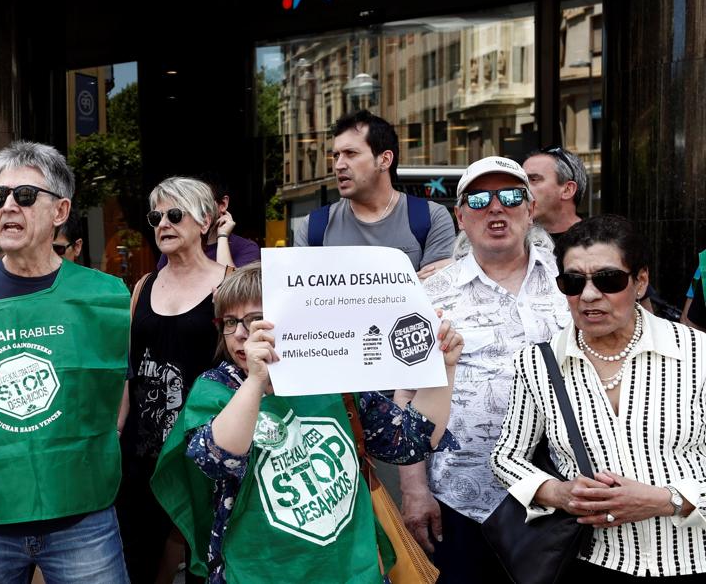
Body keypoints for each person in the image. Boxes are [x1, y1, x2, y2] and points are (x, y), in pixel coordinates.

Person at [151, 262, 463, 583]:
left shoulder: (333, 377)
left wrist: (443, 369)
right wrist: (257, 380)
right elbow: (216, 457)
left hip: (350, 569)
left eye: (256, 320)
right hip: (259, 571)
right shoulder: (218, 385)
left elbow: (412, 440)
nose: (243, 334)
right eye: (231, 322)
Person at [0, 141, 131, 582]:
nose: (8, 207)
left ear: (60, 212)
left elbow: (115, 398)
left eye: (26, 196)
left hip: (81, 521)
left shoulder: (104, 298)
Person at [491, 214, 706, 580]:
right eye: (573, 282)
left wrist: (663, 500)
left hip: (695, 559)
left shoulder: (697, 354)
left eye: (608, 280)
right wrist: (558, 493)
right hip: (593, 563)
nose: (589, 295)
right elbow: (506, 457)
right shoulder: (539, 364)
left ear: (640, 281)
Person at [397, 155, 570, 583]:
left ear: (530, 210)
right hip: (460, 499)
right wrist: (414, 488)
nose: (496, 207)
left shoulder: (571, 283)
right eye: (479, 199)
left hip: (562, 498)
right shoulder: (429, 293)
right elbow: (406, 394)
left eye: (511, 196)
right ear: (460, 216)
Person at [117, 176, 229, 583]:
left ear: (204, 222)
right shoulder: (143, 285)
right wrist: (116, 433)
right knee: (140, 558)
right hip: (143, 452)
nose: (163, 223)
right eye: (156, 215)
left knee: (206, 559)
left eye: (175, 214)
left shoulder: (229, 284)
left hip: (204, 447)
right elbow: (128, 369)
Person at [293, 110, 455, 280]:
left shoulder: (430, 218)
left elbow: (436, 295)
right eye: (336, 156)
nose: (339, 165)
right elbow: (302, 300)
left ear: (384, 160)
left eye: (351, 153)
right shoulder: (314, 227)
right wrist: (412, 281)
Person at [157, 176, 259, 270]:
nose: (197, 211)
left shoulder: (246, 248)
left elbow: (230, 288)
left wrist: (222, 236)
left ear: (223, 204)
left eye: (204, 204)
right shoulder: (180, 245)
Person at [522, 145, 586, 247]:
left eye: (533, 179)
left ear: (567, 190)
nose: (522, 189)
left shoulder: (598, 241)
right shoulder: (516, 242)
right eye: (522, 181)